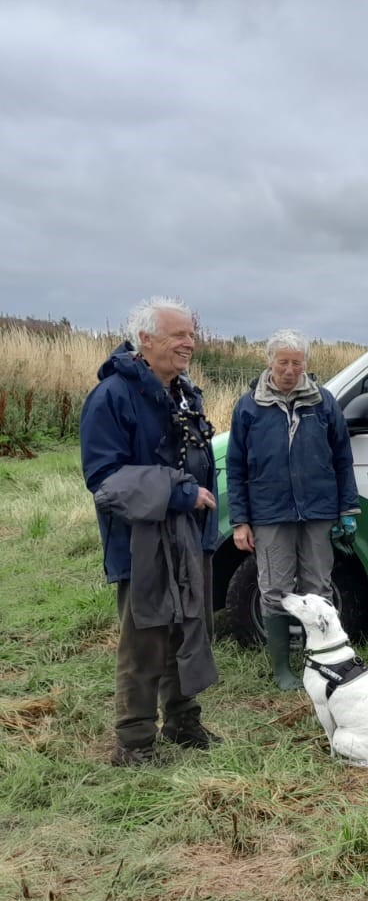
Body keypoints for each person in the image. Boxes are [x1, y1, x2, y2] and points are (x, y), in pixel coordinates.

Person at [79, 297, 222, 766]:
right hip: (140, 543)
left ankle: (184, 721)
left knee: (188, 629)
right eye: (178, 335)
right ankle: (135, 742)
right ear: (145, 339)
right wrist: (180, 492)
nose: (189, 343)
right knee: (145, 639)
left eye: (192, 335)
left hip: (189, 535)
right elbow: (104, 479)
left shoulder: (185, 392)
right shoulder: (112, 397)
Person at [227, 329, 361, 691]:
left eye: (296, 363)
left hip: (318, 511)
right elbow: (236, 466)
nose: (289, 370)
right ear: (269, 362)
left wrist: (348, 508)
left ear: (306, 364)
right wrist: (240, 521)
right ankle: (282, 671)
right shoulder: (249, 407)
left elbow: (342, 458)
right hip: (269, 514)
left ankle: (322, 663)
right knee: (275, 590)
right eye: (283, 362)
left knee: (319, 589)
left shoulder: (324, 402)